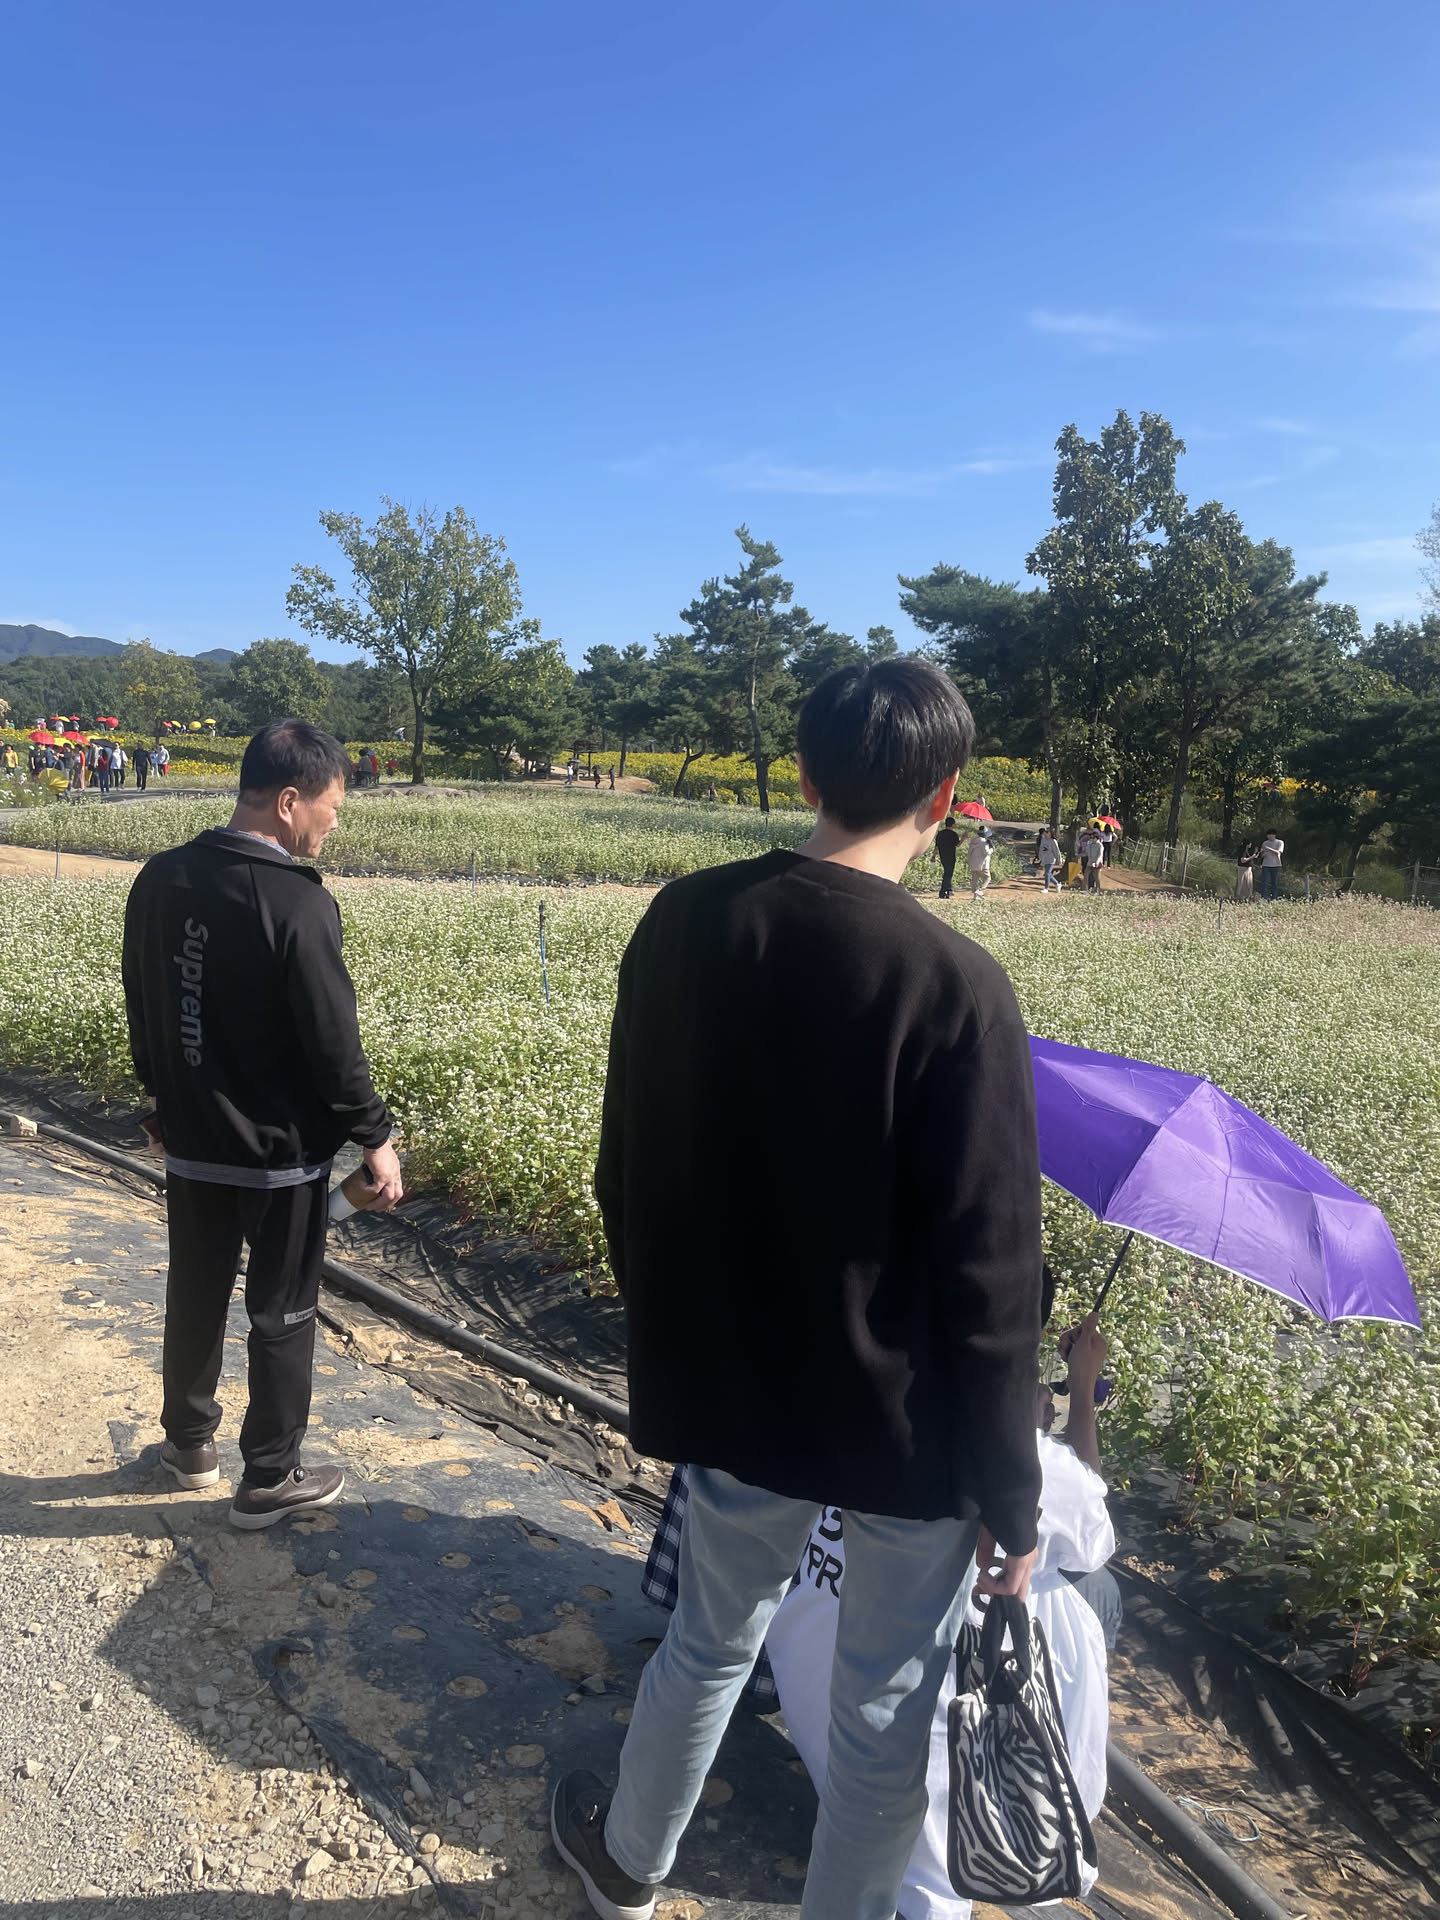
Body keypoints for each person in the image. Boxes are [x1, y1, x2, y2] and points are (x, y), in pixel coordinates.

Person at [552, 658, 1044, 1920]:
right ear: (948, 797)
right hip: (907, 1430)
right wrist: (1013, 1491)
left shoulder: (686, 920)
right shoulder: (955, 984)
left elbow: (623, 1164)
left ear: (808, 775)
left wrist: (679, 1339)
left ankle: (626, 1865)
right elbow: (990, 1274)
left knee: (707, 1642)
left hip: (737, 1391)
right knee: (883, 1714)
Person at [120, 720, 403, 1529]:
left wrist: (163, 1100)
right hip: (279, 1158)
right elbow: (332, 1042)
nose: (333, 822)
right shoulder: (297, 901)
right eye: (330, 805)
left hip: (191, 1144)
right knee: (281, 1312)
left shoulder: (161, 878)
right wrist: (375, 1137)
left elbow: (146, 1003)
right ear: (287, 802)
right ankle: (270, 1477)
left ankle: (189, 1448)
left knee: (195, 1293)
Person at [764, 1306, 1116, 1920]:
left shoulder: (845, 1400)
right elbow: (1091, 1533)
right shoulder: (1035, 1464)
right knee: (1098, 1593)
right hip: (930, 1835)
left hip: (822, 1727)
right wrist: (1080, 1392)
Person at [934, 811, 960, 899]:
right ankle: (943, 892)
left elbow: (936, 846)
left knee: (947, 872)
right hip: (951, 856)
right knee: (948, 874)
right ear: (953, 825)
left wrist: (934, 856)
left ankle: (948, 890)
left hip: (943, 856)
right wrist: (964, 838)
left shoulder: (940, 834)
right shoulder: (954, 834)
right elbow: (957, 845)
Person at [966, 822, 992, 901]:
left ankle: (975, 895)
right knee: (987, 878)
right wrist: (991, 849)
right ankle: (979, 891)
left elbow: (969, 852)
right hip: (982, 864)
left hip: (973, 863)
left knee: (975, 879)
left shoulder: (973, 840)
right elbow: (986, 852)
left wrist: (969, 862)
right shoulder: (984, 842)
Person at [1259, 829, 1284, 901]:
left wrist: (1268, 849)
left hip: (1276, 865)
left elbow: (1278, 852)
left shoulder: (1279, 842)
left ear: (1274, 835)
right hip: (1266, 865)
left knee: (1274, 883)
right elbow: (1262, 855)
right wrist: (1264, 852)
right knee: (1265, 882)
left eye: (1271, 835)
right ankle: (1264, 898)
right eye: (1268, 835)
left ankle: (1274, 898)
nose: (1269, 836)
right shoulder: (1265, 843)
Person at [1038, 826, 1061, 892]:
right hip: (1044, 859)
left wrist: (1059, 859)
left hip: (1051, 860)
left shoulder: (1053, 841)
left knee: (1047, 873)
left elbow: (1057, 851)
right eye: (1045, 831)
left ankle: (1046, 888)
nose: (1045, 833)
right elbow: (1041, 849)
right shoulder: (1043, 840)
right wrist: (1040, 857)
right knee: (1047, 874)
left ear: (1051, 833)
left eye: (1047, 832)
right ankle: (1057, 884)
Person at [1082, 826, 1104, 892]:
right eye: (1091, 838)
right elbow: (1088, 853)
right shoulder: (1090, 844)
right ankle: (1085, 889)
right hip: (1090, 862)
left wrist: (1097, 862)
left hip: (1097, 863)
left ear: (1097, 838)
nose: (1092, 839)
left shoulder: (1100, 845)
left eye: (1093, 838)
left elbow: (1100, 855)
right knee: (1086, 874)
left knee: (1096, 877)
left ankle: (1097, 890)